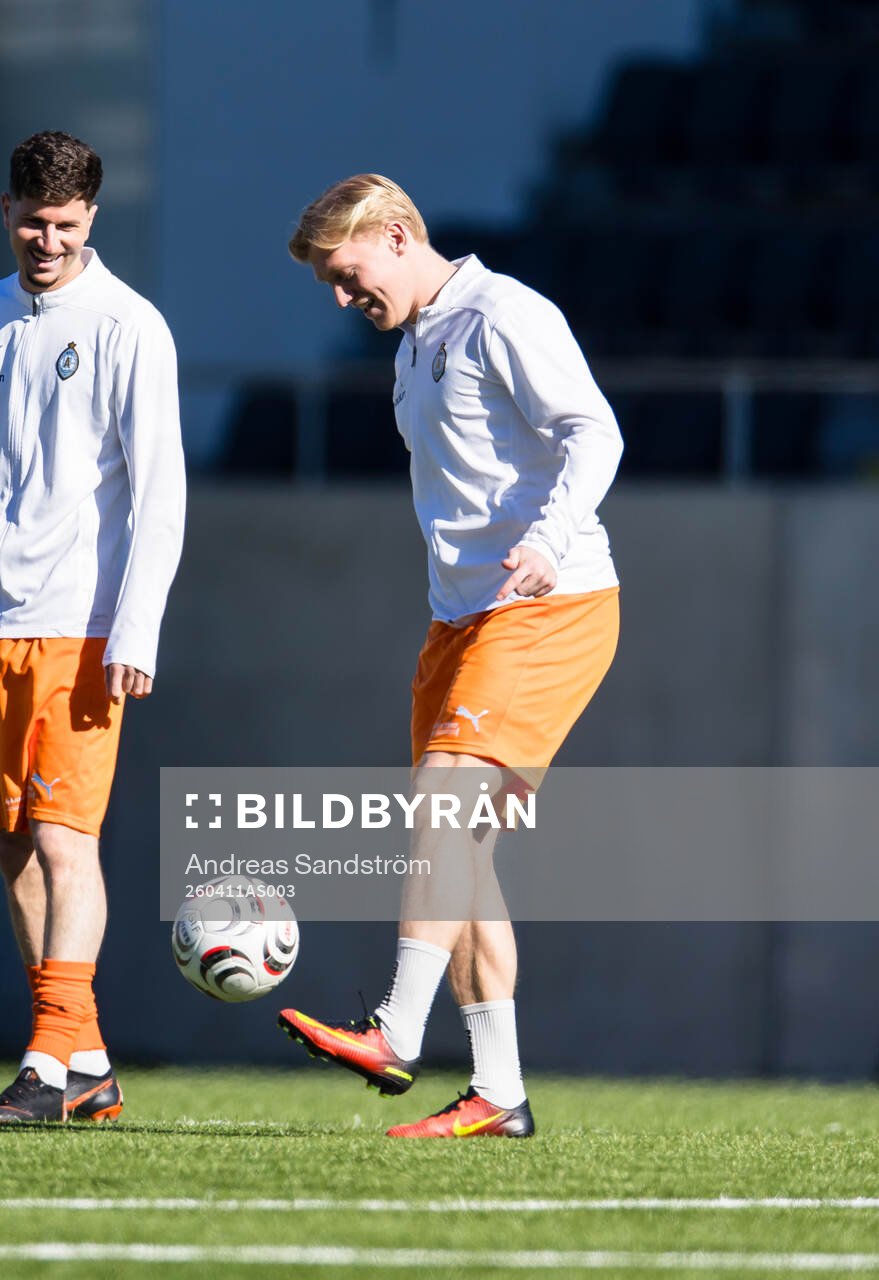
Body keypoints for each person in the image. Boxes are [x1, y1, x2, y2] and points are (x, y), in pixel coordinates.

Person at [275, 174, 622, 1139]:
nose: (347, 301)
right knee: (461, 858)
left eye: (349, 278)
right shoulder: (416, 344)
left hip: (548, 606)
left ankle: (395, 1028)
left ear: (394, 236)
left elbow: (595, 430)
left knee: (441, 811)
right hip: (461, 624)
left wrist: (550, 540)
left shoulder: (504, 312)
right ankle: (499, 1094)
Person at [0, 130, 187, 1124]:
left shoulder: (130, 325)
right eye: (33, 221)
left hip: (80, 627)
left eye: (67, 225)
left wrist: (136, 627)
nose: (48, 241)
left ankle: (46, 1063)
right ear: (7, 210)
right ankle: (90, 1057)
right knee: (14, 849)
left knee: (69, 843)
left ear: (93, 219)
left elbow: (159, 494)